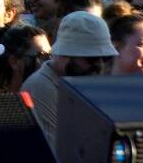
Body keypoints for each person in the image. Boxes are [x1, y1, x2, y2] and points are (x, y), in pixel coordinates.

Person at [22, 10, 118, 140]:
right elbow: (58, 153)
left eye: (105, 59)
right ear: (65, 55)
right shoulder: (41, 88)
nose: (99, 66)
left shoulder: (79, 85)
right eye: (91, 59)